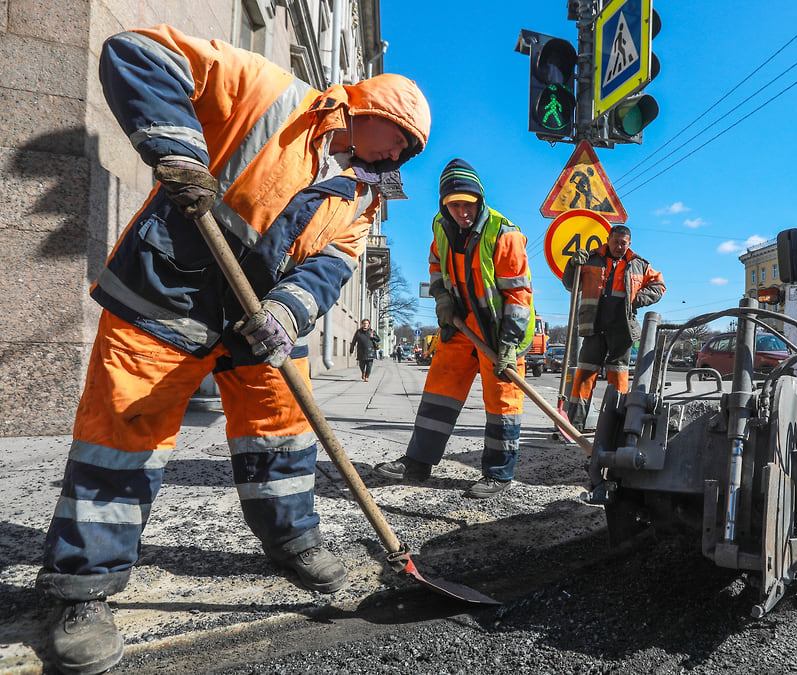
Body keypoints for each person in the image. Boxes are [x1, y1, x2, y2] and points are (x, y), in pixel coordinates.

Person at [36, 25, 431, 675]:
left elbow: (329, 269)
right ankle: (81, 588)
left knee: (283, 427)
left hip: (259, 322)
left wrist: (286, 311)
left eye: (410, 150)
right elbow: (136, 52)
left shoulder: (362, 198)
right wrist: (179, 150)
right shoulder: (271, 90)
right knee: (123, 431)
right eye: (403, 141)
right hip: (171, 290)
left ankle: (292, 538)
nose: (402, 156)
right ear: (371, 109)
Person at [374, 159, 535, 499]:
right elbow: (436, 266)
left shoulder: (505, 234)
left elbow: (518, 296)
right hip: (461, 324)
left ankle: (498, 474)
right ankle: (417, 463)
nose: (462, 212)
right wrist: (442, 298)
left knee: (502, 401)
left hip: (500, 329)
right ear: (444, 205)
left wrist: (507, 344)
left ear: (480, 201)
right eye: (455, 205)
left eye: (468, 204)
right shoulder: (441, 227)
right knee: (439, 391)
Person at [561, 225, 666, 429]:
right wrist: (572, 265)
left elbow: (659, 286)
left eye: (623, 243)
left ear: (629, 243)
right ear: (608, 239)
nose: (619, 246)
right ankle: (574, 424)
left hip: (622, 329)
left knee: (618, 377)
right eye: (616, 241)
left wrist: (637, 299)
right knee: (584, 375)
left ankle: (615, 425)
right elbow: (570, 284)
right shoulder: (591, 259)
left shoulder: (639, 264)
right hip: (594, 327)